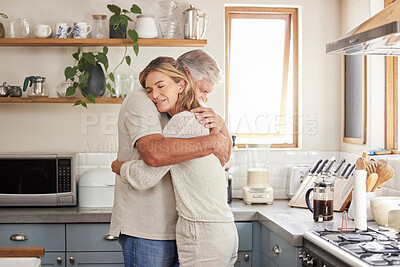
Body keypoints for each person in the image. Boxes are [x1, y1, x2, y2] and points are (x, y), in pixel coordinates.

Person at [109, 50, 231, 267]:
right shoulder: (142, 100)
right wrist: (214, 141)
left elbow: (225, 156)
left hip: (188, 226)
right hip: (148, 228)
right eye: (202, 90)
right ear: (184, 77)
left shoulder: (190, 116)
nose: (204, 99)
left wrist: (221, 125)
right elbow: (155, 155)